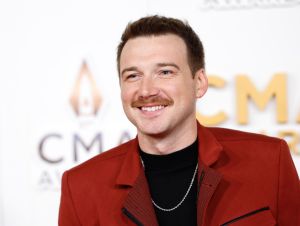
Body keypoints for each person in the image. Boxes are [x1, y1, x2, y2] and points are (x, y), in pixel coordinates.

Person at [58, 15, 300, 226]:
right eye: (133, 75)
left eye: (165, 72)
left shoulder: (269, 162)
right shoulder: (81, 187)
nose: (146, 90)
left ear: (199, 83)